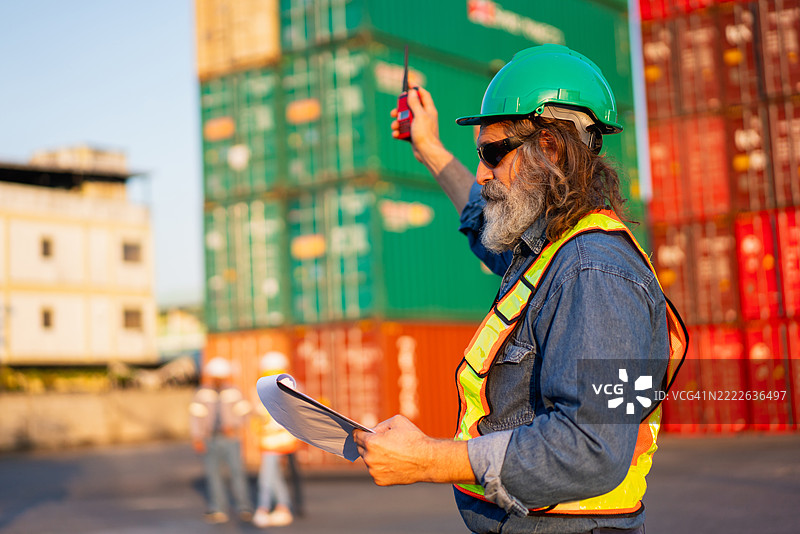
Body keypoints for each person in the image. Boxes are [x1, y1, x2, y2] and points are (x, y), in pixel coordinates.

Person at [353, 44, 687, 534]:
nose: (484, 172)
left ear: (549, 148)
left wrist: (428, 460)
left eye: (492, 154)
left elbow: (592, 448)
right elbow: (480, 215)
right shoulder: (550, 253)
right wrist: (428, 148)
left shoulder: (594, 272)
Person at [188, 356, 254, 524]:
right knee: (213, 475)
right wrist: (197, 436)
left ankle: (244, 506)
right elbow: (195, 416)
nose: (218, 380)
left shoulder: (234, 391)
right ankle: (218, 509)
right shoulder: (202, 392)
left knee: (237, 473)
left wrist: (234, 425)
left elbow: (245, 412)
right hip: (211, 438)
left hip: (231, 439)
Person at [252, 351, 298, 528]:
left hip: (276, 441)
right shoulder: (286, 385)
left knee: (265, 478)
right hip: (271, 441)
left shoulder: (284, 388)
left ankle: (262, 509)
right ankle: (283, 508)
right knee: (275, 477)